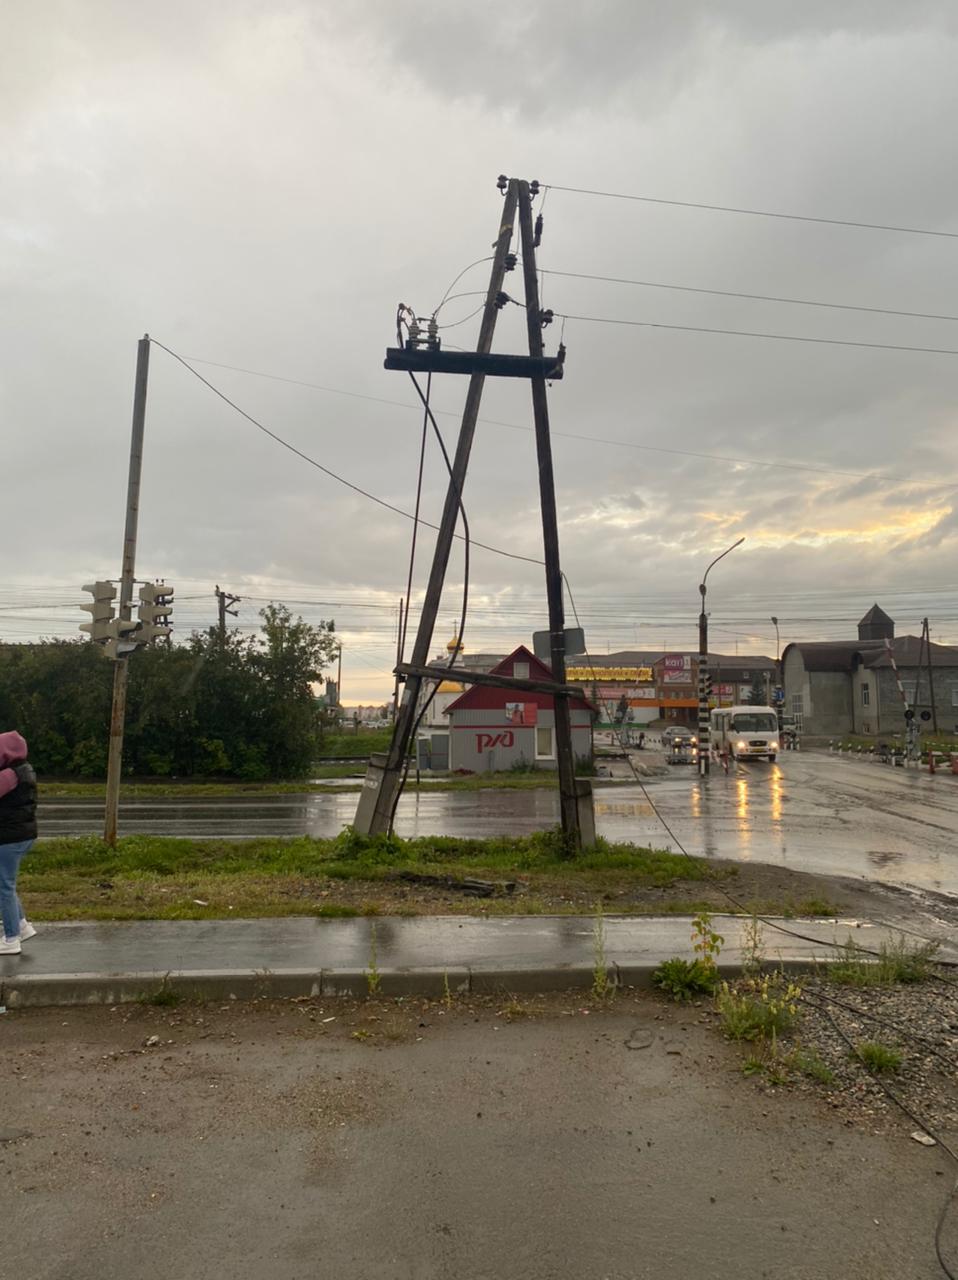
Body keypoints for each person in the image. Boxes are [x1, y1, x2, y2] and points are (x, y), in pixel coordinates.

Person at [0, 731, 37, 956]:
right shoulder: (25, 770)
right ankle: (22, 926)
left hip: (9, 838)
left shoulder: (9, 775)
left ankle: (11, 938)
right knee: (6, 884)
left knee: (3, 887)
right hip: (20, 836)